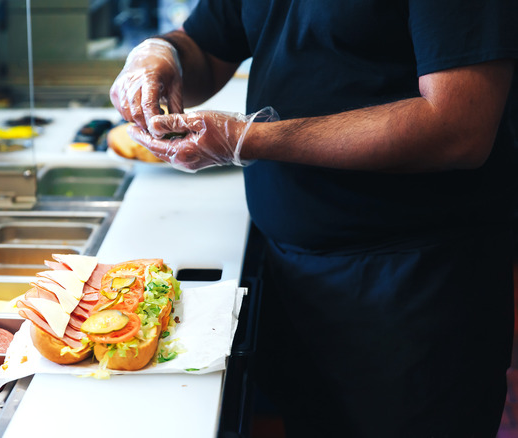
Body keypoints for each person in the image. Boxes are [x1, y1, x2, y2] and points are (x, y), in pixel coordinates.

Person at [110, 1, 518, 437]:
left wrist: (252, 138)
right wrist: (160, 56)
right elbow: (207, 47)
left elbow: (458, 127)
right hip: (294, 273)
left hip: (413, 287)